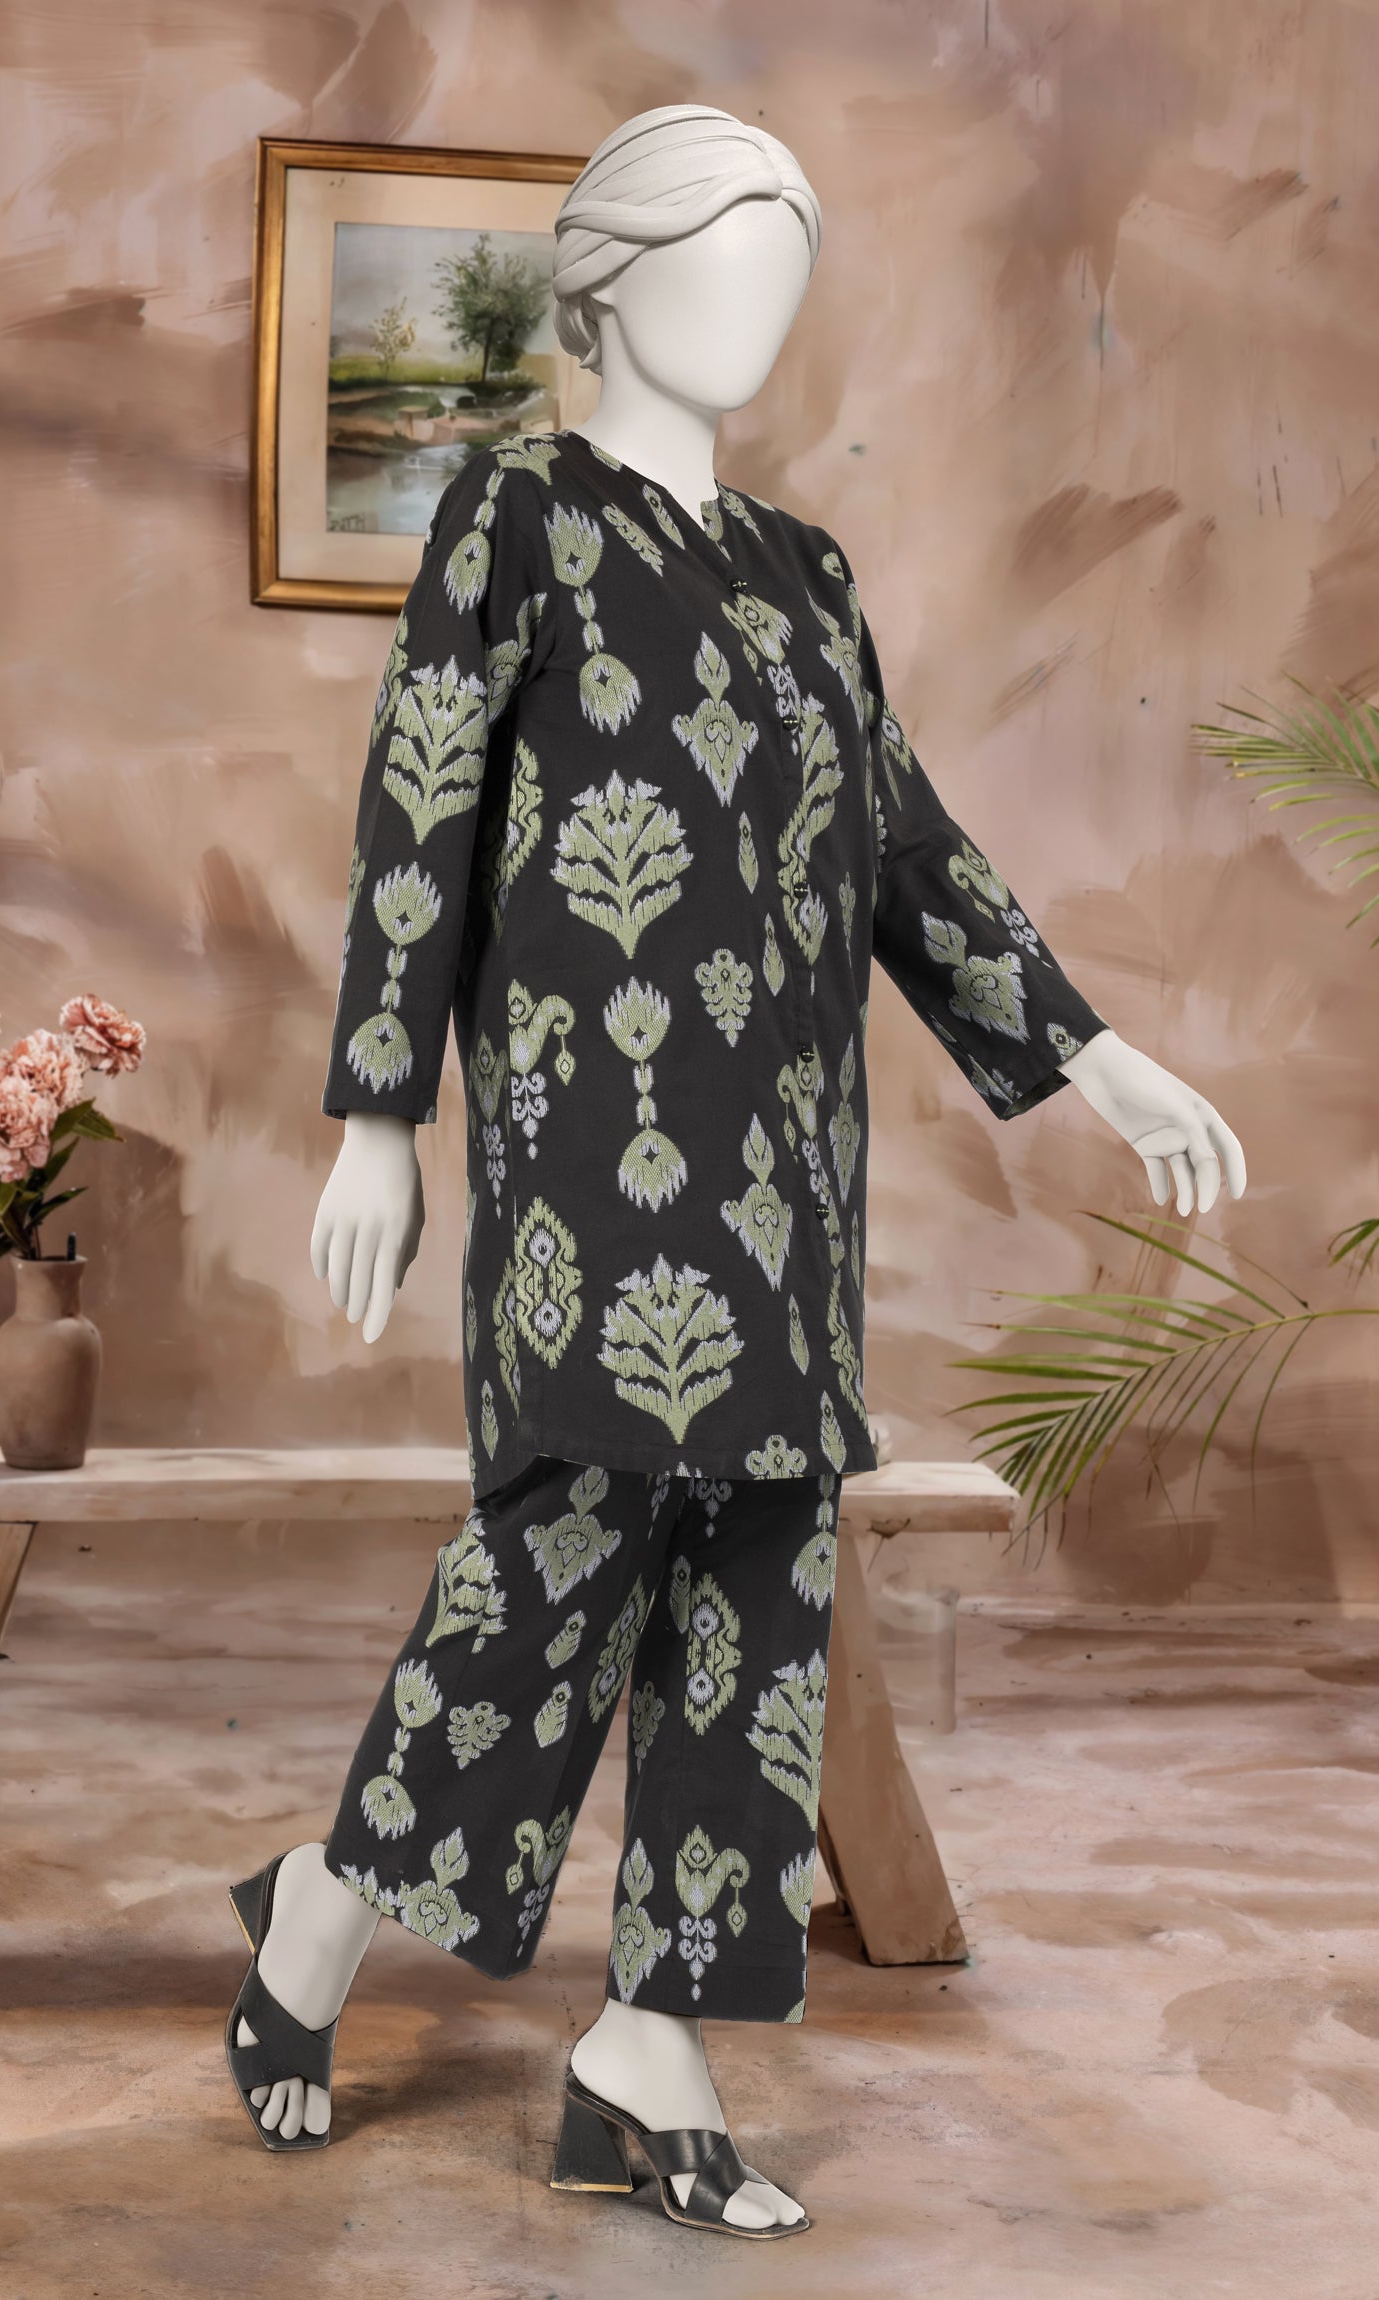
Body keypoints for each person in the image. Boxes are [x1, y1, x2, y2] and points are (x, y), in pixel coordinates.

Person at [223, 104, 1246, 2240]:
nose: (759, 307)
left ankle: (652, 2038)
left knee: (769, 1567)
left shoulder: (808, 572)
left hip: (786, 1170)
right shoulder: (514, 514)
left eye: (785, 268)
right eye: (718, 261)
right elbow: (421, 808)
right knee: (561, 1555)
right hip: (590, 1148)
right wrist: (378, 1115)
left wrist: (1095, 1051)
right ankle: (326, 1906)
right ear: (604, 288)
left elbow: (906, 848)